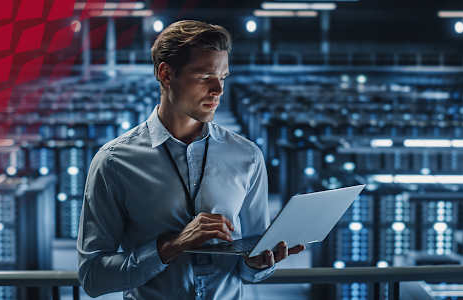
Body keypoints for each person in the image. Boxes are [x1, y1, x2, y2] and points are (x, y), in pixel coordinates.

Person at [76, 20, 305, 299]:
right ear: (166, 74)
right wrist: (171, 246)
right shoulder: (114, 162)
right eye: (204, 76)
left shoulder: (247, 156)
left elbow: (251, 263)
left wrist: (257, 264)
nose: (218, 90)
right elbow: (92, 277)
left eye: (222, 77)